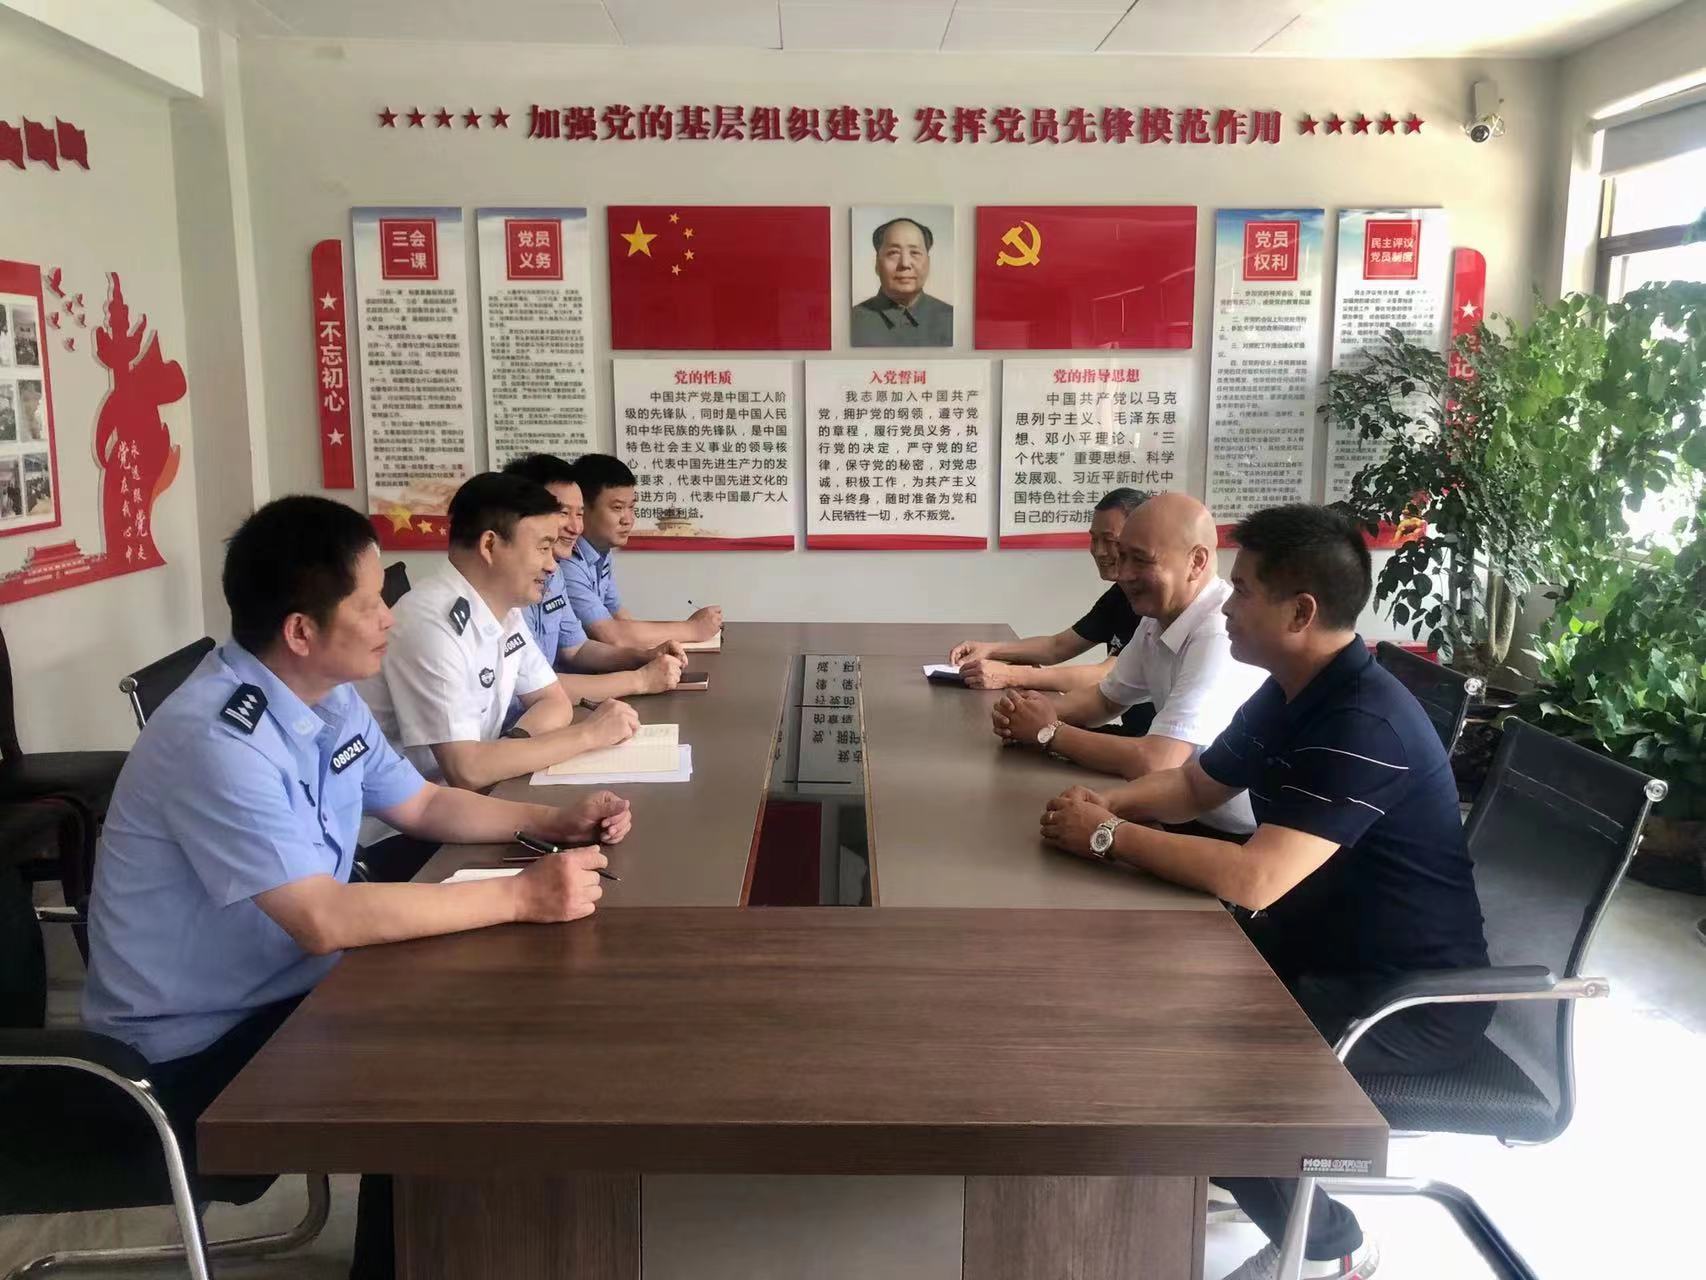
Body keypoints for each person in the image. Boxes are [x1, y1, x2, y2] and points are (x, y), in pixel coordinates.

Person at [81, 494, 631, 1280]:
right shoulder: (217, 740)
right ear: (301, 632)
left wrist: (551, 821)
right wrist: (521, 896)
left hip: (291, 989)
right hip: (188, 1056)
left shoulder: (324, 695)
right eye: (369, 603)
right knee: (440, 1058)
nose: (389, 617)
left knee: (480, 1006)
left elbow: (423, 803)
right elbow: (322, 918)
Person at [1038, 504, 1492, 1280]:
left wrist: (1109, 836)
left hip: (1403, 998)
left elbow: (1256, 877)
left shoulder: (1365, 722)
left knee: (1199, 1073)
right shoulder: (1292, 689)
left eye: (1242, 589)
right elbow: (1193, 785)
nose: (1225, 603)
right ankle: (1208, 1172)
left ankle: (1332, 1249)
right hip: (1313, 949)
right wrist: (1103, 806)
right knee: (1130, 990)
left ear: (1300, 612)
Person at [358, 473, 639, 878]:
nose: (552, 563)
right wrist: (588, 735)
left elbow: (554, 701)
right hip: (402, 836)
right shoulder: (430, 623)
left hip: (469, 806)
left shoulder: (503, 610)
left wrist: (506, 752)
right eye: (542, 547)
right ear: (490, 545)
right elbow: (468, 771)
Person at [992, 493, 1266, 835]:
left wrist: (1050, 732)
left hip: (1229, 832)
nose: (1123, 573)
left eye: (1140, 560)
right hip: (1180, 809)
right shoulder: (1157, 616)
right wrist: (1028, 713)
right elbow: (1105, 700)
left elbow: (1157, 761)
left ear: (1197, 562)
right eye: (1121, 556)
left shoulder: (1218, 634)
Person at [946, 488, 1149, 732]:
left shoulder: (1154, 607)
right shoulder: (1121, 594)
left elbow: (1107, 677)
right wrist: (990, 649)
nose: (1098, 550)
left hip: (1151, 742)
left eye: (1110, 541)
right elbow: (1058, 646)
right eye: (1094, 539)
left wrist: (1010, 675)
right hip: (1134, 735)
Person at [501, 452, 685, 698]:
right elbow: (534, 687)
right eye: (563, 513)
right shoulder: (505, 586)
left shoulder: (554, 572)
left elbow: (576, 649)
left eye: (579, 514)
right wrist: (640, 680)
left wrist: (644, 657)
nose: (576, 527)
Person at [562, 453, 723, 647]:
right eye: (617, 508)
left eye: (631, 507)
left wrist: (682, 632)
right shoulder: (566, 561)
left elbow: (620, 617)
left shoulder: (601, 551)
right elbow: (611, 635)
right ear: (583, 509)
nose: (628, 519)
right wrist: (692, 629)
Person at [850, 216, 954, 348]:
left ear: (928, 263)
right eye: (894, 253)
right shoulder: (851, 321)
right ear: (877, 264)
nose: (905, 263)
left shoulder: (952, 319)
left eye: (914, 252)